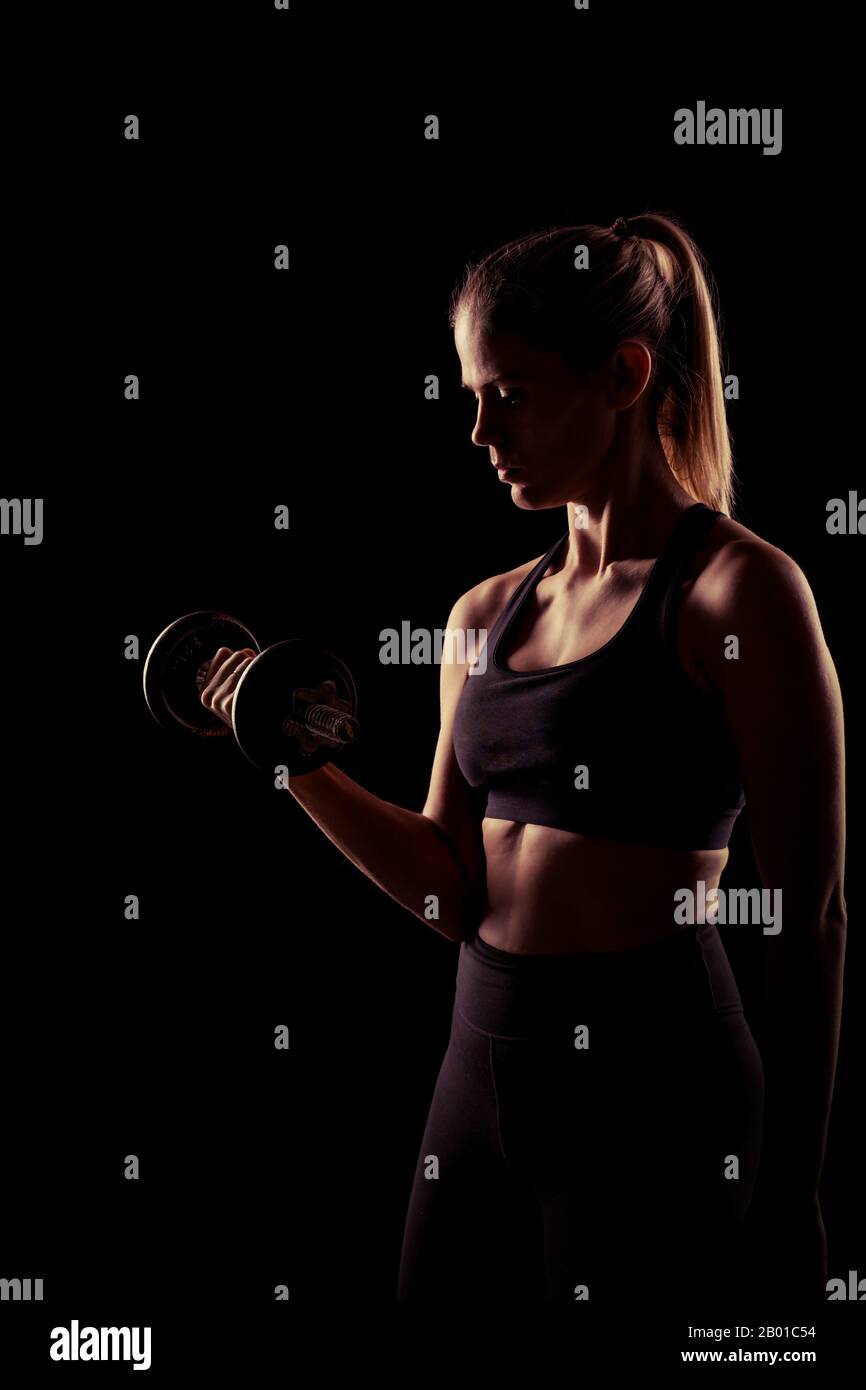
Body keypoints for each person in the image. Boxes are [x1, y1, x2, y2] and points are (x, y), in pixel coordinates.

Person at [200, 213, 846, 1306]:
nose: (478, 430)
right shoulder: (481, 612)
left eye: (509, 392)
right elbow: (447, 891)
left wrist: (790, 1187)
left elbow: (810, 913)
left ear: (623, 374)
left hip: (654, 1081)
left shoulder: (737, 594)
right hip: (476, 1060)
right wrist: (285, 754)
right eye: (467, 395)